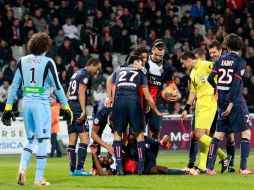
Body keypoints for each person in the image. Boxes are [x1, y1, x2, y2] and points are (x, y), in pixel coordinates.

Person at [1, 32, 73, 186]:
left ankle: (22, 169)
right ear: (46, 46)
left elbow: (14, 86)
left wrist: (8, 108)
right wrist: (66, 107)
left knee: (29, 139)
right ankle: (39, 179)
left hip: (26, 103)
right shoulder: (48, 62)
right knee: (42, 140)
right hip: (41, 105)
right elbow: (58, 86)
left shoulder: (22, 60)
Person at [206, 33, 253, 174]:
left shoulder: (219, 60)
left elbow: (209, 78)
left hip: (221, 101)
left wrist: (217, 89)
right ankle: (243, 168)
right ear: (239, 46)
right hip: (236, 102)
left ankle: (209, 168)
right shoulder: (240, 62)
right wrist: (231, 103)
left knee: (217, 135)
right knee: (246, 132)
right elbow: (236, 84)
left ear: (226, 45)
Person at [111, 55, 165, 175]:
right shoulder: (140, 73)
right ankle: (140, 169)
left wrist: (111, 101)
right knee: (139, 135)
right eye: (140, 62)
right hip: (133, 103)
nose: (142, 64)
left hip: (118, 102)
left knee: (117, 135)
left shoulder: (118, 71)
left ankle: (119, 168)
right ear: (135, 62)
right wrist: (155, 110)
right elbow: (147, 95)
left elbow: (113, 89)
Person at [180, 51, 229, 172]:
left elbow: (221, 74)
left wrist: (218, 91)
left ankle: (224, 156)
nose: (183, 66)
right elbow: (193, 92)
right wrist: (186, 108)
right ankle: (202, 166)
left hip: (209, 102)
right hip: (199, 104)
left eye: (183, 63)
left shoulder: (206, 65)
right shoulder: (192, 73)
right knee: (203, 135)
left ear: (188, 60)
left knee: (199, 134)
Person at [67, 58, 101, 176]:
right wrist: (83, 110)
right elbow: (81, 91)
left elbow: (68, 92)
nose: (97, 72)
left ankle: (72, 170)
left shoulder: (76, 73)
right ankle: (80, 169)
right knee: (85, 139)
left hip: (69, 106)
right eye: (97, 69)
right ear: (91, 65)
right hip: (77, 106)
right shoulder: (86, 75)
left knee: (72, 140)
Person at [208, 40, 235, 172]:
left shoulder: (227, 64)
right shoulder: (208, 65)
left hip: (224, 104)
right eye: (210, 53)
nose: (212, 54)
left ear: (220, 51)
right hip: (212, 105)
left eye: (214, 52)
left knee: (229, 136)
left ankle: (230, 163)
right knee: (211, 135)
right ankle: (210, 166)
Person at [145, 40, 180, 140]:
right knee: (136, 132)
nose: (158, 57)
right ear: (152, 50)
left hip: (157, 102)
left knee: (155, 133)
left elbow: (170, 82)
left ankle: (152, 156)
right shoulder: (144, 62)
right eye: (156, 54)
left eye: (161, 55)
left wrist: (177, 93)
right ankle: (139, 155)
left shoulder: (167, 67)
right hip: (142, 102)